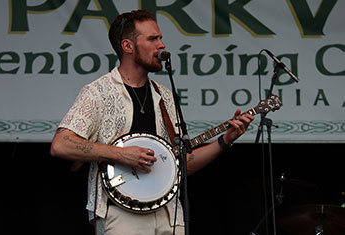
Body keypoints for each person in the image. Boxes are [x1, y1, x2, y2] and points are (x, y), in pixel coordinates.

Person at [50, 9, 254, 235]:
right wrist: (121, 154)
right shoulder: (99, 92)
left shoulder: (164, 96)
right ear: (128, 46)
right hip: (120, 214)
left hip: (168, 213)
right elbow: (61, 144)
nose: (162, 45)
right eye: (153, 39)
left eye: (160, 38)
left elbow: (180, 165)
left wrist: (224, 141)